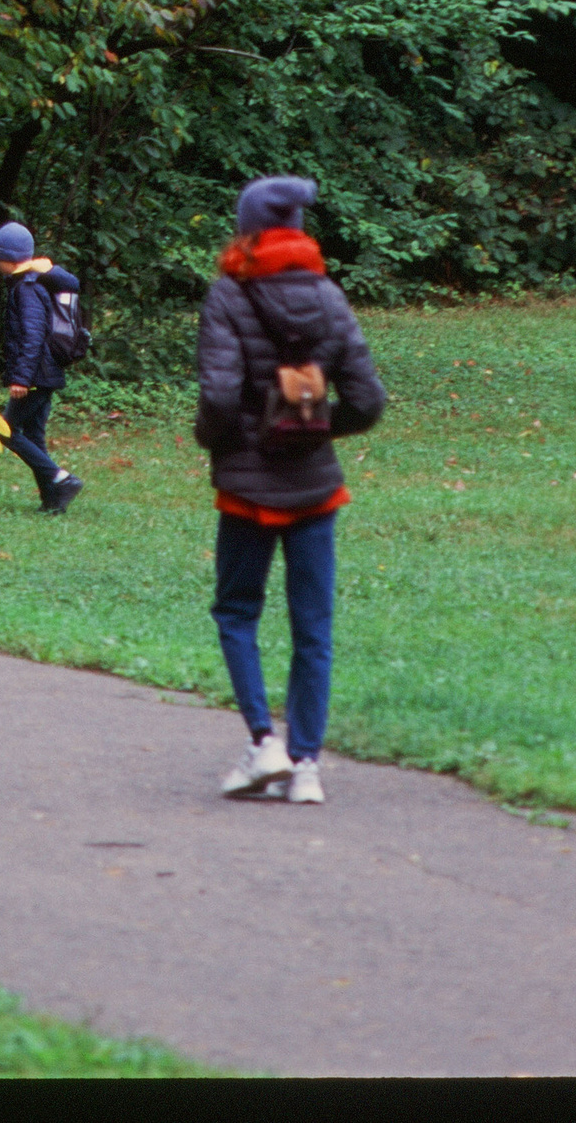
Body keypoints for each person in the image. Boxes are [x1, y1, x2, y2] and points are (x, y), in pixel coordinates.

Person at [195, 172, 387, 805]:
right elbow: (367, 399)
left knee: (236, 612)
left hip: (247, 488)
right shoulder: (329, 296)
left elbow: (221, 396)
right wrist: (318, 431)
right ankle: (306, 765)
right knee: (314, 627)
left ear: (247, 228)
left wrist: (215, 440)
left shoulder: (229, 294)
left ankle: (263, 744)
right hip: (314, 487)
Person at [0, 218, 83, 513]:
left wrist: (21, 378)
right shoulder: (30, 283)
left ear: (9, 258)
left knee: (5, 431)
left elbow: (32, 335)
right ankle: (53, 502)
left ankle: (62, 479)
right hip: (45, 372)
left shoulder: (26, 289)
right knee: (34, 436)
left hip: (37, 373)